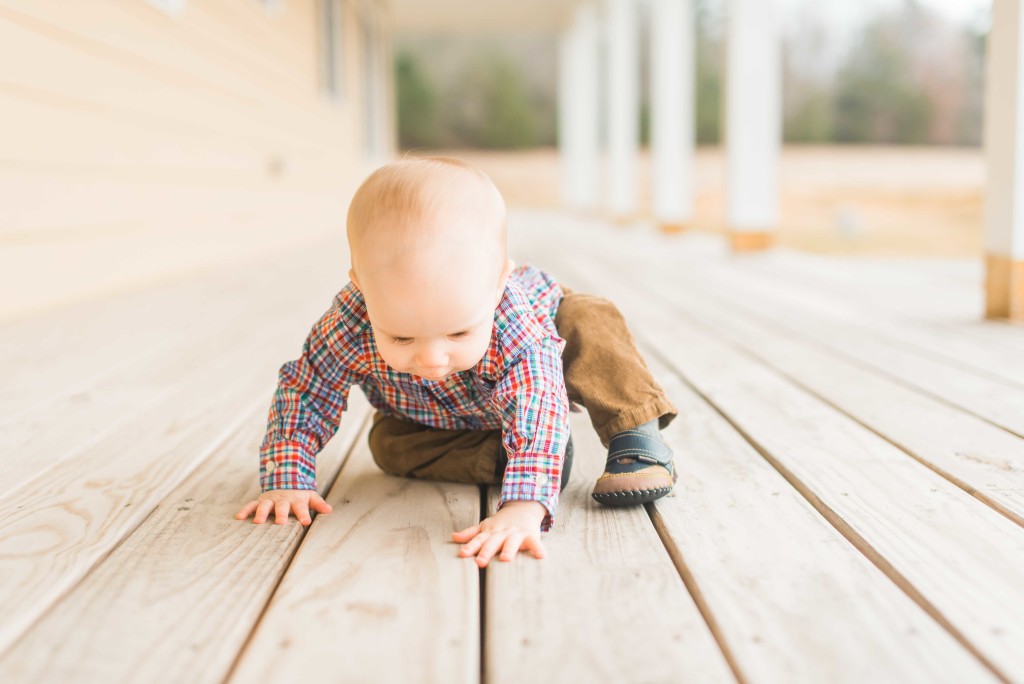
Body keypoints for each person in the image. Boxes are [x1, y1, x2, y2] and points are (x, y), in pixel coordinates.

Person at [235, 156, 677, 568]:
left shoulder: (514, 322)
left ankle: (634, 434)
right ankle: (515, 457)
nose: (432, 356)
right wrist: (288, 475)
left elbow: (537, 396)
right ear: (362, 288)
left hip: (540, 377)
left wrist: (523, 507)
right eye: (402, 335)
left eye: (459, 332)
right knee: (388, 443)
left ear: (499, 282)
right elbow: (307, 389)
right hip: (441, 419)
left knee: (589, 318)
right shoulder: (350, 321)